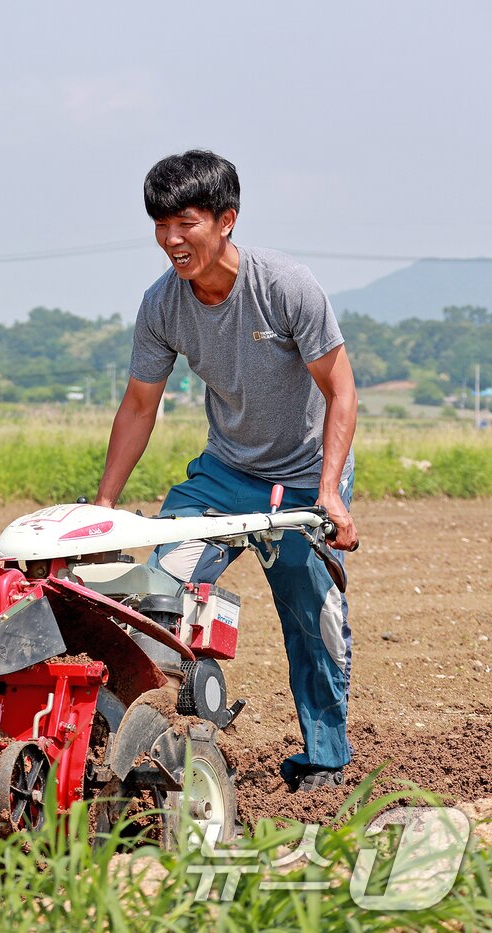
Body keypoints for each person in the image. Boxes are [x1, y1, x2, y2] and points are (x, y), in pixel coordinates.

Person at [94, 150, 360, 793]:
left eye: (185, 223)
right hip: (225, 474)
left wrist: (329, 491)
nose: (170, 240)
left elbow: (342, 391)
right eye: (160, 225)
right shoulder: (162, 305)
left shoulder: (284, 287)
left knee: (312, 616)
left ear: (226, 220)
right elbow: (139, 405)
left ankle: (325, 761)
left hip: (302, 475)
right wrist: (103, 506)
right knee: (155, 594)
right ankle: (147, 746)